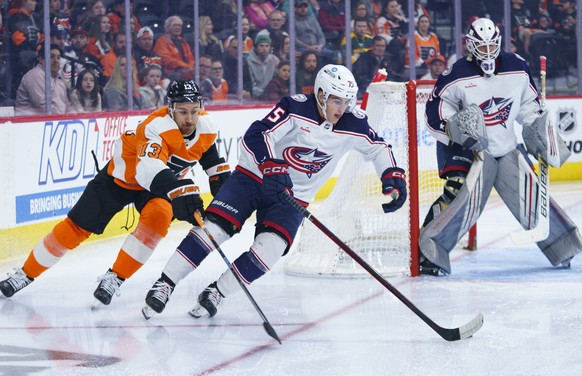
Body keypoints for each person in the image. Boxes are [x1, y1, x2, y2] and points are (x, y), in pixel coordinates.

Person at [141, 64, 407, 320]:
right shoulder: (295, 107)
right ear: (321, 95)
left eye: (348, 101)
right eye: (337, 101)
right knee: (214, 230)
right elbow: (257, 134)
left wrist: (392, 176)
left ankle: (217, 292)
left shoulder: (354, 122)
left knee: (271, 249)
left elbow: (379, 147)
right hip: (253, 177)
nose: (343, 108)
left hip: (293, 197)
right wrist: (271, 165)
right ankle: (165, 284)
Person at [0, 81, 231, 307]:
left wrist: (224, 189)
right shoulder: (155, 126)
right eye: (182, 112)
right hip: (121, 179)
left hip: (158, 188)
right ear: (171, 109)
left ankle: (116, 278)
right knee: (76, 227)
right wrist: (182, 192)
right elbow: (148, 170)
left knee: (159, 218)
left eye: (194, 111)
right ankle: (25, 273)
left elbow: (211, 159)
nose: (189, 119)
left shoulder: (206, 125)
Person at [420, 17, 581, 276]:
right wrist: (454, 128)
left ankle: (563, 246)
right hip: (469, 150)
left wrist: (540, 131)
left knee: (531, 199)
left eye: (491, 46)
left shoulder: (517, 67)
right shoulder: (456, 74)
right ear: (470, 46)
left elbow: (530, 107)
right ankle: (428, 253)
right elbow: (434, 112)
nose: (487, 53)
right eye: (480, 47)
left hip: (505, 149)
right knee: (459, 198)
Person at [15, 44, 73, 115]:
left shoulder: (59, 81)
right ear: (41, 59)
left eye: (58, 58)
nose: (56, 61)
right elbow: (43, 107)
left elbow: (68, 106)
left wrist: (75, 116)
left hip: (55, 121)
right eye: (51, 57)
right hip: (30, 123)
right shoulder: (35, 75)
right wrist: (63, 118)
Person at [154, 15, 195, 81]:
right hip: (169, 73)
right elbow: (166, 60)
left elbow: (191, 58)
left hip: (185, 70)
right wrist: (186, 67)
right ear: (167, 28)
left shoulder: (183, 42)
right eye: (175, 25)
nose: (178, 28)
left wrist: (190, 67)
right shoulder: (162, 42)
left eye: (179, 26)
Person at [247, 34, 280, 100]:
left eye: (267, 46)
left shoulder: (275, 60)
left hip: (271, 95)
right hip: (253, 97)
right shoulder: (248, 61)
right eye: (261, 46)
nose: (264, 49)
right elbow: (251, 85)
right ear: (256, 48)